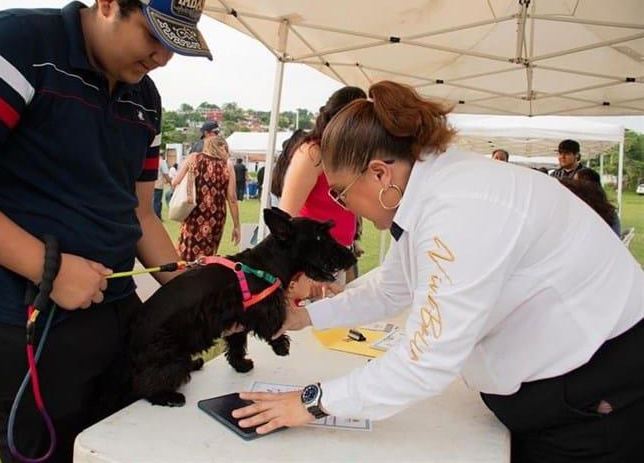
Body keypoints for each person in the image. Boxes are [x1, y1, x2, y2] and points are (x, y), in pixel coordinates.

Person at [233, 81, 644, 462]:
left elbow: (423, 363)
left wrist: (309, 402)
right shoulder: (432, 189)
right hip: (559, 390)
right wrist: (304, 316)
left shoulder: (459, 208)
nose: (343, 206)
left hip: (594, 397)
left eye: (340, 192)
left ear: (379, 173)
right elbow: (393, 287)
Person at [0, 0, 213, 460]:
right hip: (16, 313)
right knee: (48, 452)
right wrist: (45, 266)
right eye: (154, 35)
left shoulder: (146, 98)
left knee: (118, 442)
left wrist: (189, 286)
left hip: (114, 306)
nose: (162, 57)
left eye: (176, 44)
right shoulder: (15, 45)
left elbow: (139, 209)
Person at [279, 86, 367, 284]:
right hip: (312, 262)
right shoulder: (313, 153)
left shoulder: (346, 154)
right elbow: (286, 216)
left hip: (340, 254)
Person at [173, 136, 240, 261]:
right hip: (217, 216)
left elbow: (175, 181)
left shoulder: (193, 158)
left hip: (194, 213)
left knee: (187, 252)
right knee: (208, 255)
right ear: (222, 147)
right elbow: (232, 198)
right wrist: (236, 226)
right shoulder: (227, 165)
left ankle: (185, 275)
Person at [153, 150, 171, 220]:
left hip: (151, 184)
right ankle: (156, 217)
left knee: (153, 201)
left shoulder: (154, 161)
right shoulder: (162, 162)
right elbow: (165, 174)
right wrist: (171, 182)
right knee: (157, 202)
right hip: (158, 185)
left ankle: (158, 216)